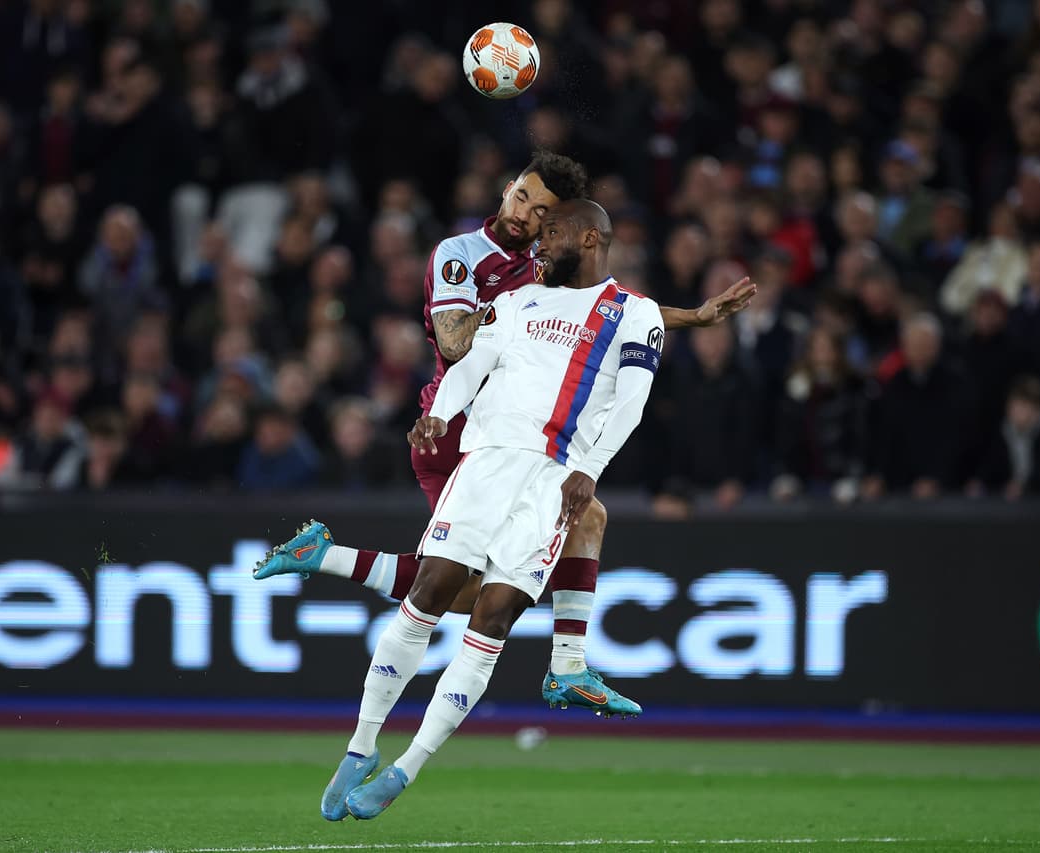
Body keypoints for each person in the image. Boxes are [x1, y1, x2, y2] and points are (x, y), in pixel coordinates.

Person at [252, 152, 756, 715]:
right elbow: (451, 343)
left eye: (541, 212)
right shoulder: (462, 255)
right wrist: (518, 304)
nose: (525, 215)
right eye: (522, 198)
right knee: (458, 588)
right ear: (507, 188)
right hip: (460, 431)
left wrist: (691, 316)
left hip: (521, 437)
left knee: (550, 544)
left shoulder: (547, 270)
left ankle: (567, 665)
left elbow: (606, 309)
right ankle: (331, 562)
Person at [328, 199, 663, 821]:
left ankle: (407, 768)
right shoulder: (516, 302)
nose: (539, 239)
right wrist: (441, 411)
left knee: (494, 619)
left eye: (553, 230)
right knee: (429, 593)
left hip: (555, 481)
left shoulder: (635, 314)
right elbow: (472, 364)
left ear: (590, 236)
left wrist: (589, 468)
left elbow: (631, 405)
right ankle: (362, 745)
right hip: (485, 463)